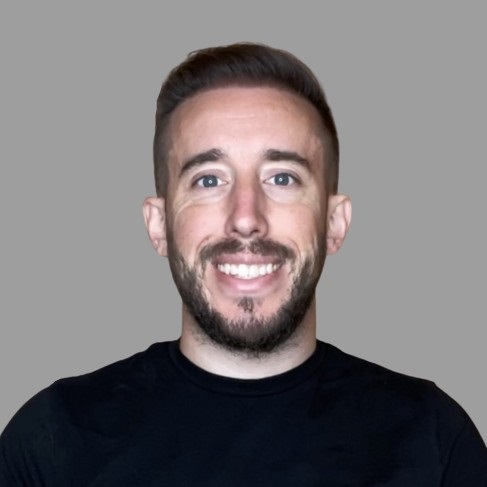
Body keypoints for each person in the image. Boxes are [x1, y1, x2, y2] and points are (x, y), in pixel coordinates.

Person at [1, 42, 486, 486]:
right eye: (209, 180)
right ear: (159, 225)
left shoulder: (433, 438)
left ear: (334, 223)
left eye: (282, 178)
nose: (247, 218)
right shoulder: (53, 440)